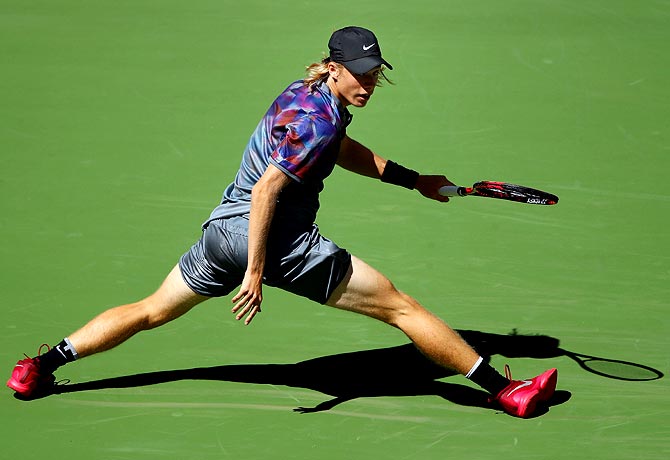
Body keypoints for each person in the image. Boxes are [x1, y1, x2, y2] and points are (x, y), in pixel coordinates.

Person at [7, 26, 557, 418]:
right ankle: (503, 391)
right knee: (401, 307)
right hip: (277, 244)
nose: (368, 83)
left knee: (150, 309)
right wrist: (255, 270)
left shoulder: (307, 98)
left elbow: (339, 149)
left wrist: (414, 180)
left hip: (221, 233)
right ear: (336, 68)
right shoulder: (319, 122)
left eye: (375, 73)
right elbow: (270, 188)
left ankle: (40, 366)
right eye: (360, 74)